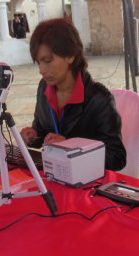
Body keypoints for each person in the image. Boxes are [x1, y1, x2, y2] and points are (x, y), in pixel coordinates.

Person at [20, 18, 126, 171]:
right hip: (54, 174)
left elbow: (117, 157)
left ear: (70, 56)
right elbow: (44, 132)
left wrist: (71, 146)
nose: (41, 70)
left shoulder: (99, 99)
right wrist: (34, 135)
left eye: (48, 61)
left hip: (86, 184)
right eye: (38, 62)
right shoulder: (44, 88)